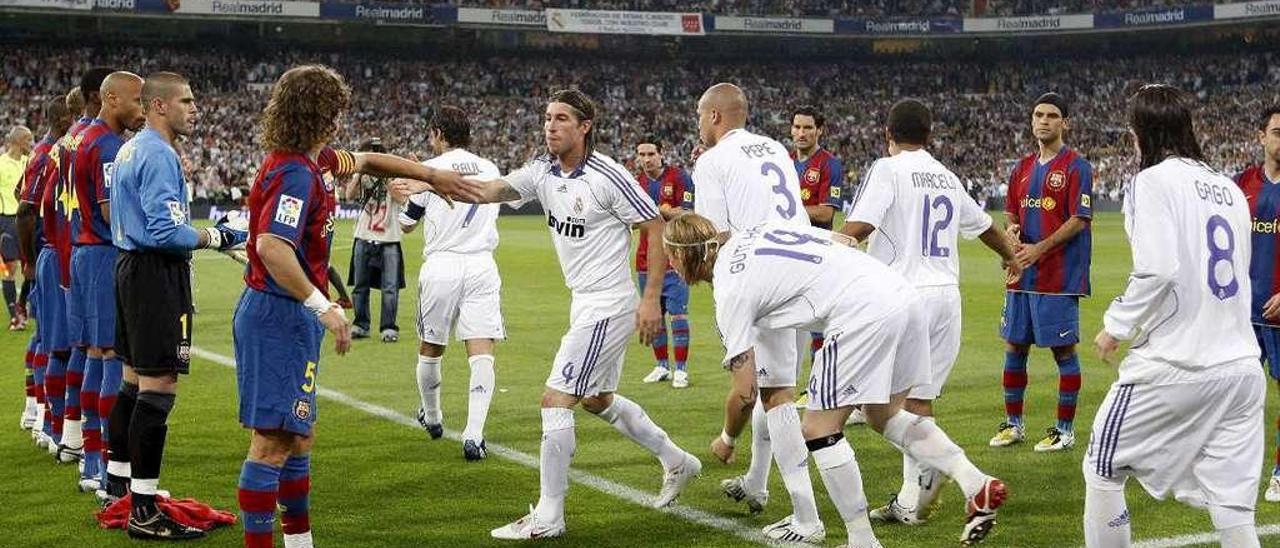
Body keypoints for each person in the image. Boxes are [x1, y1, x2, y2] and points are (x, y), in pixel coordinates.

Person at [398, 89, 700, 540]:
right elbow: (484, 191)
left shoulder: (607, 175)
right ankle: (678, 461)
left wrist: (650, 297)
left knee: (555, 399)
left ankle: (549, 515)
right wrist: (424, 177)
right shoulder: (542, 171)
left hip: (608, 303)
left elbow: (653, 225)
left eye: (561, 119)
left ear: (585, 127)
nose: (550, 126)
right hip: (585, 302)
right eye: (546, 118)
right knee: (596, 399)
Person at [232, 65, 476, 548]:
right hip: (277, 315)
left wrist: (430, 175)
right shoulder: (295, 174)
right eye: (335, 111)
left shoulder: (315, 160)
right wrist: (323, 304)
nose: (340, 121)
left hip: (289, 317)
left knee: (299, 435)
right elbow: (271, 247)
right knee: (271, 442)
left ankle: (300, 543)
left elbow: (366, 161)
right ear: (318, 113)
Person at [664, 213, 1009, 547]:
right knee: (883, 414)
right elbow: (843, 239)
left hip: (860, 312)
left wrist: (727, 437)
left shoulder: (730, 290)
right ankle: (975, 482)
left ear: (681, 254)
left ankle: (862, 540)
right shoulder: (758, 229)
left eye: (670, 257)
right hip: (901, 294)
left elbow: (744, 393)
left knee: (819, 429)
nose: (671, 266)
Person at [1086, 84, 1264, 548]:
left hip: (1178, 364)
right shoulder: (1228, 187)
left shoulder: (1151, 182)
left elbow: (1158, 268)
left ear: (1142, 133)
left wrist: (1116, 326)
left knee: (1102, 467)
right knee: (1232, 504)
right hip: (1242, 366)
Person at [841, 98, 1022, 526]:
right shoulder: (945, 174)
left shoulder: (887, 169)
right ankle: (912, 502)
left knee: (876, 409)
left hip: (901, 296)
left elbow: (861, 226)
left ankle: (958, 473)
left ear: (888, 134)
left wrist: (819, 249)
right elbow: (985, 227)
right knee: (918, 401)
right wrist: (1010, 257)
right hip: (945, 297)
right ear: (930, 136)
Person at [108, 71, 250, 539]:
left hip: (130, 268)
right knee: (159, 386)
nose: (196, 108)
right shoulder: (157, 153)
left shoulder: (130, 148)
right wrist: (217, 236)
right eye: (187, 101)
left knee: (133, 380)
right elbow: (169, 232)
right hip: (154, 274)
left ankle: (121, 487)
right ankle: (144, 510)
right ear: (159, 106)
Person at [694, 83, 821, 542]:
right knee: (776, 386)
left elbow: (714, 237)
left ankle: (806, 518)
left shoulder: (711, 162)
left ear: (713, 117)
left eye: (699, 117)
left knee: (777, 396)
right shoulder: (774, 147)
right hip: (810, 265)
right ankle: (756, 483)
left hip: (764, 272)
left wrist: (722, 292)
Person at [394, 105, 505, 460]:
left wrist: (404, 198)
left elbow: (406, 225)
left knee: (431, 346)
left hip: (442, 264)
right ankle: (474, 434)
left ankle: (434, 416)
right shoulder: (490, 167)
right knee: (481, 350)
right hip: (482, 265)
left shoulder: (430, 170)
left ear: (439, 134)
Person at [992, 92, 1094, 453]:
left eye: (1052, 115)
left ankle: (1064, 430)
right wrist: (1012, 238)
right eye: (1038, 114)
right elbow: (1012, 215)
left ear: (1065, 122)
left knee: (1063, 352)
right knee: (1014, 345)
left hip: (1058, 276)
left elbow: (1079, 220)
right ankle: (1013, 424)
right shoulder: (1020, 168)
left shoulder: (1076, 167)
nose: (1044, 121)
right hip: (1023, 276)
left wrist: (1038, 249)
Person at [66, 71, 147, 477]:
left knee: (96, 353)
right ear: (111, 99)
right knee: (110, 354)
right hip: (102, 255)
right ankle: (101, 466)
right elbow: (111, 213)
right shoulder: (109, 147)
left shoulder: (85, 136)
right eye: (137, 100)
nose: (142, 109)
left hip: (85, 252)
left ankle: (90, 457)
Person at [1233, 103, 1280, 501]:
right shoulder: (1240, 184)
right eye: (1277, 131)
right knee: (1237, 395)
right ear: (1261, 136)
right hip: (1243, 313)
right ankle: (1233, 470)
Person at [18, 98, 71, 439]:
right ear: (62, 118)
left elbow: (18, 192)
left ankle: (35, 410)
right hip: (47, 252)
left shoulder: (50, 151)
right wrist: (29, 260)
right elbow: (25, 208)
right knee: (53, 342)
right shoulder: (47, 153)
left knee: (46, 338)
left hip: (49, 251)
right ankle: (43, 418)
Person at [633, 139, 694, 389]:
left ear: (661, 154)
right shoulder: (637, 183)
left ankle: (681, 370)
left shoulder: (679, 177)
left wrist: (662, 212)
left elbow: (689, 213)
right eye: (641, 154)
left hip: (676, 259)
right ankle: (662, 366)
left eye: (650, 154)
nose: (646, 159)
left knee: (678, 314)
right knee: (654, 316)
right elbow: (632, 220)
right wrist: (657, 214)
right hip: (645, 260)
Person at [791, 105, 844, 365]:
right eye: (797, 127)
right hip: (788, 253)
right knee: (785, 324)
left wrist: (787, 210)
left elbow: (825, 214)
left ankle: (817, 384)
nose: (801, 133)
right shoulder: (784, 162)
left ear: (819, 130)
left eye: (808, 127)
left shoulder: (829, 164)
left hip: (817, 253)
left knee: (817, 323)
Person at [345, 138, 405, 342]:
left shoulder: (394, 177)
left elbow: (401, 199)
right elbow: (348, 195)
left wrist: (386, 175)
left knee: (390, 287)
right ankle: (361, 324)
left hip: (389, 238)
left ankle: (388, 327)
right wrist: (360, 172)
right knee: (360, 285)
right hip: (363, 236)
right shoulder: (361, 177)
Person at [1, 125, 33, 330]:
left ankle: (21, 305)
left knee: (30, 267)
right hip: (5, 220)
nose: (31, 144)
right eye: (28, 140)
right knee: (10, 269)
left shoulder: (28, 162)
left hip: (27, 221)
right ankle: (15, 316)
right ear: (19, 141)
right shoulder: (1, 164)